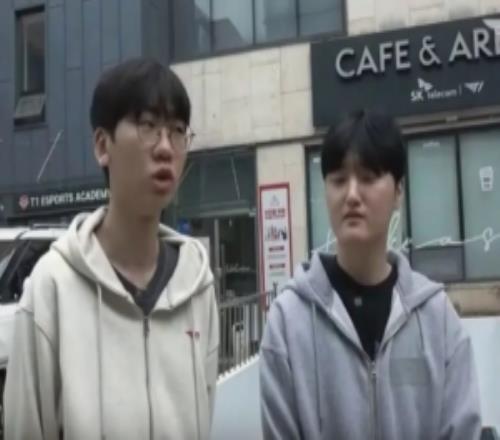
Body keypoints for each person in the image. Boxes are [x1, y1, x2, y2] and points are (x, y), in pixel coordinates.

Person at [4, 58, 219, 440]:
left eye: (178, 131)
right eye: (148, 126)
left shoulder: (197, 288)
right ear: (103, 145)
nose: (166, 148)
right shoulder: (51, 289)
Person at [259, 110, 481, 440]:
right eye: (338, 180)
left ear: (399, 191)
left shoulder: (437, 319)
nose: (351, 195)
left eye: (367, 177)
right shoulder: (288, 322)